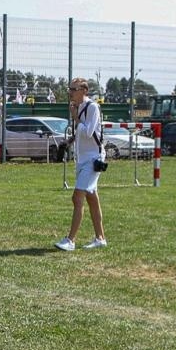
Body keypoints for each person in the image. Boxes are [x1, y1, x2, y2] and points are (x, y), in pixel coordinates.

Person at [55, 78, 108, 251]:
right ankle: (100, 238)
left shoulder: (92, 107)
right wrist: (69, 142)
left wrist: (76, 118)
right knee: (92, 198)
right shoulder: (77, 107)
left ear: (84, 90)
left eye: (73, 89)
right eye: (69, 88)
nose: (70, 92)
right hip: (82, 159)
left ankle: (70, 240)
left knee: (77, 197)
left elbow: (89, 132)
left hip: (93, 158)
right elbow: (80, 134)